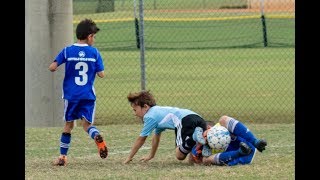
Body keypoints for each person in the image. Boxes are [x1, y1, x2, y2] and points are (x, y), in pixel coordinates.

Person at [49, 18, 108, 166]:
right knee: (87, 125)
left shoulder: (68, 50)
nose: (94, 39)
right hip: (88, 95)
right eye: (93, 36)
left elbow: (52, 67)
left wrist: (61, 64)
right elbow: (101, 74)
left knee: (68, 126)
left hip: (71, 95)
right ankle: (96, 136)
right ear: (89, 36)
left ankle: (62, 157)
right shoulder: (94, 52)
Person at [123, 90, 210, 164]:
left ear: (145, 107)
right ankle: (204, 137)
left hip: (185, 120)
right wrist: (151, 156)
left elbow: (141, 139)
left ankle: (194, 138)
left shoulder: (149, 116)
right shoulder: (157, 112)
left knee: (179, 155)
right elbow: (156, 137)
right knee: (193, 161)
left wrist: (129, 157)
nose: (134, 113)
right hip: (198, 118)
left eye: (135, 110)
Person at [189, 115, 267, 166]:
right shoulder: (200, 146)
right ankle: (240, 152)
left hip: (249, 144)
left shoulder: (220, 127)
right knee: (206, 160)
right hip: (240, 158)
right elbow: (193, 160)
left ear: (209, 128)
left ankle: (255, 142)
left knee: (223, 119)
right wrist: (196, 157)